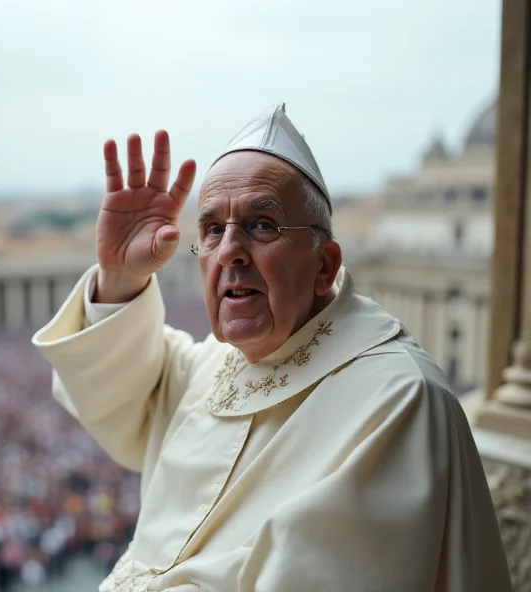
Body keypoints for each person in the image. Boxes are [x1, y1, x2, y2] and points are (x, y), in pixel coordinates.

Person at [32, 104, 511, 591]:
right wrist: (120, 275)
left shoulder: (398, 399)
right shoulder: (218, 362)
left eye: (263, 225)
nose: (230, 251)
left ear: (325, 266)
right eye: (212, 229)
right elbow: (131, 393)